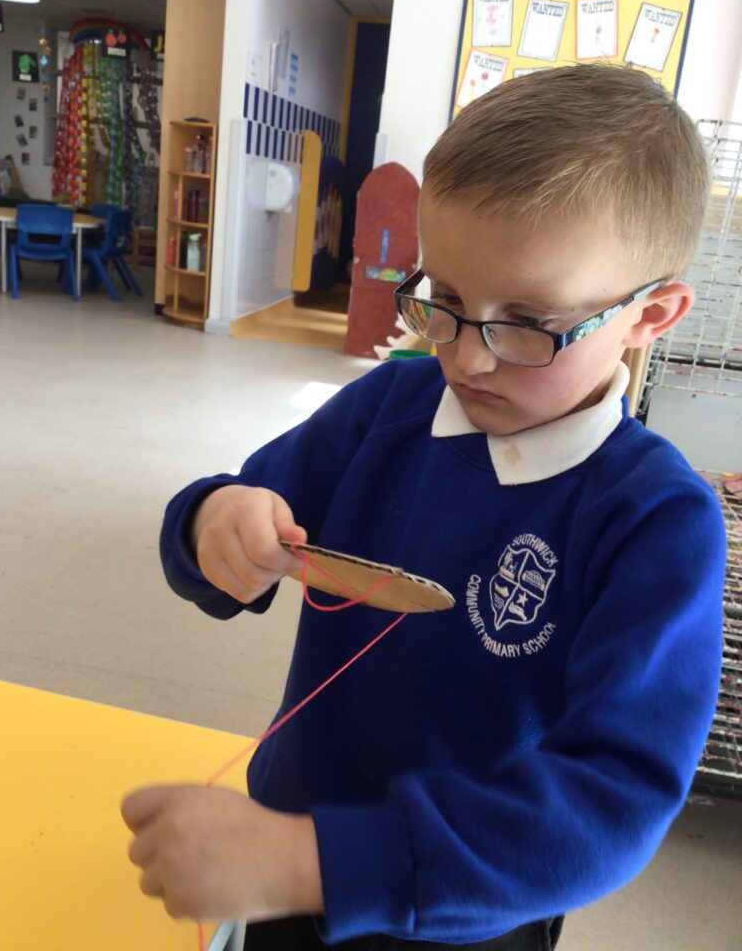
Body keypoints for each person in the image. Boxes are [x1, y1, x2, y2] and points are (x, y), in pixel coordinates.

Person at [121, 65, 726, 951]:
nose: (466, 358)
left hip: (461, 913)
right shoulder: (387, 409)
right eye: (443, 299)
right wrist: (214, 523)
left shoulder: (656, 522)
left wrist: (314, 863)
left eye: (527, 322)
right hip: (281, 858)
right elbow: (230, 511)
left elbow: (611, 801)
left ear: (651, 315)